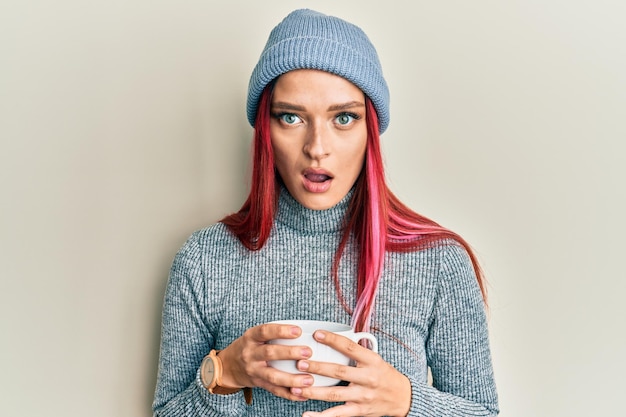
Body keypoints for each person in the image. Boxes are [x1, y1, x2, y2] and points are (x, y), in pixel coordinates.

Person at [152, 8, 499, 417]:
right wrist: (225, 372)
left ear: (370, 130)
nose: (317, 147)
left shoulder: (438, 262)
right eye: (292, 117)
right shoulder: (205, 259)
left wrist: (406, 401)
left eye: (344, 118)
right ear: (266, 128)